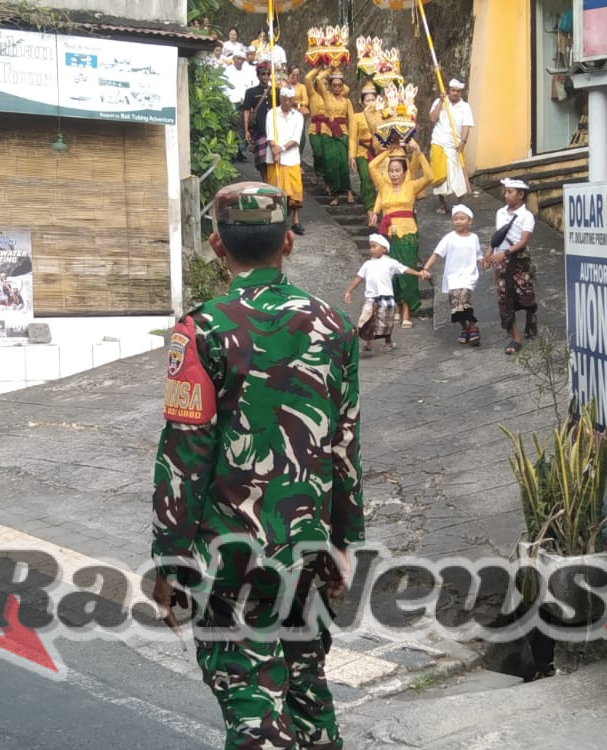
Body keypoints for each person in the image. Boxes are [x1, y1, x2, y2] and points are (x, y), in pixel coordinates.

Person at [150, 182, 363, 750]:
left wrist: (170, 558)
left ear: (217, 245)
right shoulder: (336, 326)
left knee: (251, 700)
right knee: (306, 692)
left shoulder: (202, 330)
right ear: (288, 241)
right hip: (308, 548)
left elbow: (185, 453)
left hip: (230, 558)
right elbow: (345, 444)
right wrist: (346, 544)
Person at [367, 141, 434, 327]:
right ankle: (396, 306)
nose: (394, 174)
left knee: (407, 271)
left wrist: (419, 153)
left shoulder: (411, 186)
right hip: (388, 236)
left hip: (408, 236)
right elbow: (372, 166)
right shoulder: (384, 186)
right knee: (391, 273)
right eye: (391, 171)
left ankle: (406, 312)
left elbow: (430, 176)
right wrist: (387, 152)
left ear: (405, 172)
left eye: (397, 171)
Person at [345, 233, 428, 353]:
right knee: (366, 320)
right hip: (371, 298)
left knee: (385, 322)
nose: (371, 249)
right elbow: (359, 278)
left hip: (386, 297)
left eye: (374, 246)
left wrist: (418, 273)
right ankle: (368, 343)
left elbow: (404, 269)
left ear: (384, 249)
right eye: (370, 247)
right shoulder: (367, 264)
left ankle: (388, 341)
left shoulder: (390, 263)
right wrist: (349, 291)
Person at [484, 178, 538, 355]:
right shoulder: (500, 213)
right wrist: (489, 253)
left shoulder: (526, 216)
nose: (505, 195)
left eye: (509, 192)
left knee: (526, 295)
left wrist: (506, 253)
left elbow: (523, 241)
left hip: (519, 260)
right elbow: (498, 236)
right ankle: (515, 338)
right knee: (504, 298)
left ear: (520, 195)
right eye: (505, 191)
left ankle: (531, 316)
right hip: (501, 260)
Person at [421, 205, 484, 346]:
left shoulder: (474, 238)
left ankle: (473, 326)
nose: (458, 221)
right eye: (456, 219)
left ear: (469, 221)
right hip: (453, 277)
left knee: (464, 301)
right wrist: (426, 268)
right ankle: (465, 328)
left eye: (462, 218)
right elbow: (437, 254)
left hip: (468, 276)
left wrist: (484, 261)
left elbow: (478, 255)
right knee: (456, 307)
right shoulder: (449, 238)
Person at [305, 67, 354, 206]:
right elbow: (318, 79)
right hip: (327, 134)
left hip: (342, 133)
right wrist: (330, 69)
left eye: (339, 85)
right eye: (334, 85)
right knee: (330, 165)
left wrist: (338, 70)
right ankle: (335, 195)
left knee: (343, 164)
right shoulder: (326, 96)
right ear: (330, 87)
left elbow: (351, 121)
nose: (337, 87)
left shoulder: (347, 101)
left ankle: (348, 191)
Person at [265, 87, 308, 236]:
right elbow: (270, 134)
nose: (288, 102)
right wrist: (274, 149)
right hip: (274, 158)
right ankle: (276, 221)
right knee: (275, 189)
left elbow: (296, 138)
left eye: (290, 100)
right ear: (280, 99)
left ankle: (295, 221)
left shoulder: (298, 117)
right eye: (285, 99)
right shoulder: (271, 114)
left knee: (295, 190)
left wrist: (281, 149)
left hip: (291, 158)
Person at [428, 79, 475, 213]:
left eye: (458, 91)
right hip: (438, 142)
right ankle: (442, 203)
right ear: (448, 90)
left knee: (458, 175)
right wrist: (441, 102)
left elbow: (466, 126)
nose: (455, 93)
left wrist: (463, 142)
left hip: (455, 144)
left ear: (461, 93)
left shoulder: (465, 107)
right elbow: (432, 118)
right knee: (440, 174)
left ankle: (460, 203)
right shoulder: (439, 102)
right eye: (453, 90)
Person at [348, 84, 381, 210]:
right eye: (368, 100)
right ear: (362, 103)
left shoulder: (382, 115)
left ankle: (378, 209)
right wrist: (352, 156)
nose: (371, 103)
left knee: (379, 181)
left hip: (379, 151)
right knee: (366, 179)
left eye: (373, 100)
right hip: (363, 151)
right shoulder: (356, 117)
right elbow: (352, 138)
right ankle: (369, 209)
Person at [222, 55, 259, 161]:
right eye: (238, 59)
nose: (240, 61)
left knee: (243, 127)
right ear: (234, 59)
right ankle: (231, 152)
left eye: (242, 59)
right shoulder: (227, 70)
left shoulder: (248, 71)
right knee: (232, 127)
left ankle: (239, 151)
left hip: (244, 103)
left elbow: (252, 85)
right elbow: (224, 86)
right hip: (231, 103)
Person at [241, 63, 275, 176]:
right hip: (259, 130)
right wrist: (246, 130)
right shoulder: (251, 92)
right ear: (258, 75)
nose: (266, 76)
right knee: (262, 161)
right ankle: (265, 182)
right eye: (263, 74)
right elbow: (246, 111)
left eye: (268, 74)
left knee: (274, 159)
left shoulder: (276, 91)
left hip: (274, 131)